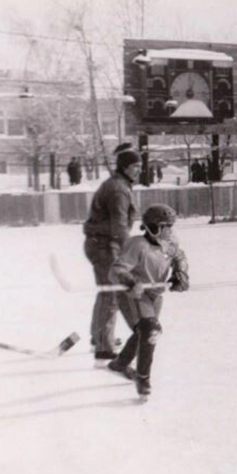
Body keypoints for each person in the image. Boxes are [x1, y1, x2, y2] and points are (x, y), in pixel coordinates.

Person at [106, 204, 189, 398]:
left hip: (155, 294)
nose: (170, 231)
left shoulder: (170, 242)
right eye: (165, 226)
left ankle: (120, 363)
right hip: (134, 294)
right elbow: (116, 270)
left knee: (143, 332)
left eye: (171, 226)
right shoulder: (137, 245)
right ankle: (143, 378)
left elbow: (180, 256)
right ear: (152, 226)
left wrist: (180, 272)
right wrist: (130, 281)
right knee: (150, 330)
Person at [82, 143, 140, 361]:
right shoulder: (118, 189)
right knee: (112, 292)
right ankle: (103, 346)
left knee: (108, 291)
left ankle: (99, 337)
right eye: (135, 166)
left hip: (101, 243)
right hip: (105, 246)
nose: (138, 170)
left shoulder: (119, 184)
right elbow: (119, 227)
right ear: (125, 167)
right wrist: (129, 256)